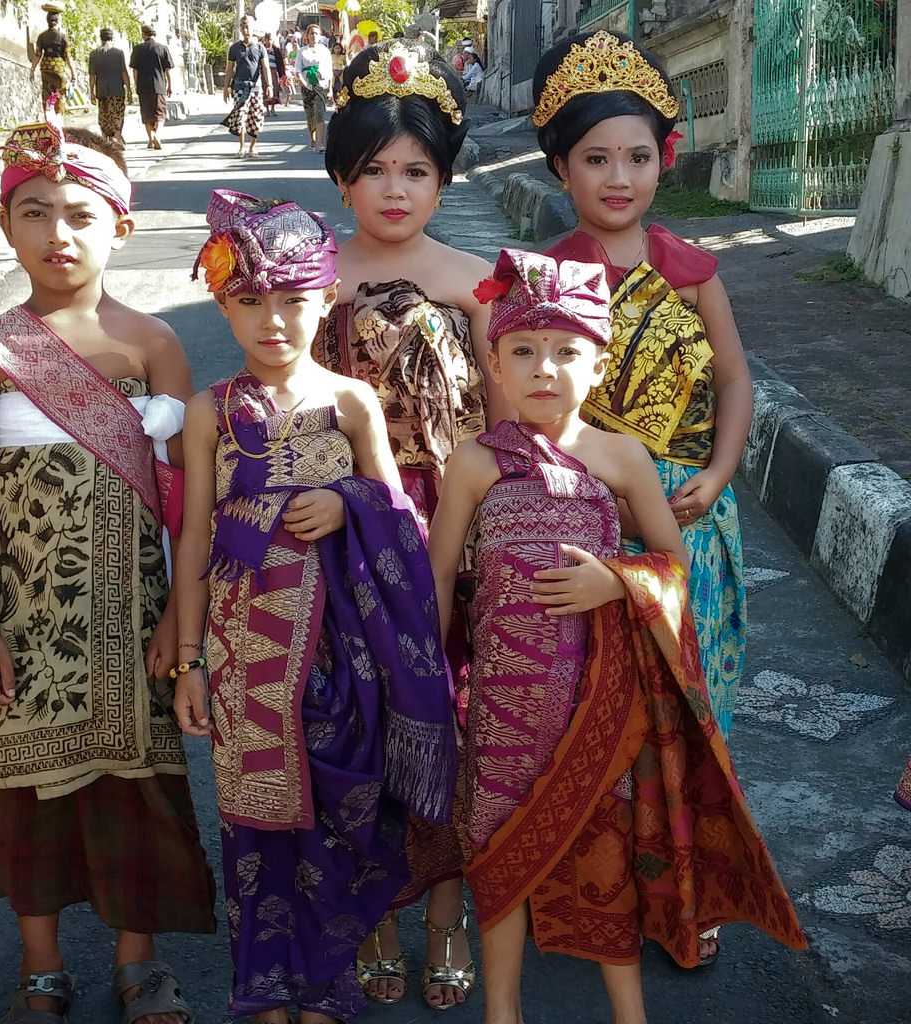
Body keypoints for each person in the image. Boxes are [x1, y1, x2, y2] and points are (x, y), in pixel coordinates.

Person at [432, 247, 807, 1024]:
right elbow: (439, 579)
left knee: (602, 857)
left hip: (598, 707)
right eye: (524, 351)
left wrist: (616, 579)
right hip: (500, 706)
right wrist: (435, 679)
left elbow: (673, 567)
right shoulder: (474, 463)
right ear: (494, 365)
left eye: (568, 351)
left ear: (598, 366)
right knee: (501, 857)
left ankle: (627, 1013)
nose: (546, 369)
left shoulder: (623, 458)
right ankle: (502, 1012)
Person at [0, 116, 215, 1024]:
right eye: (34, 212)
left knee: (138, 784)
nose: (58, 233)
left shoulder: (152, 348)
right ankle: (41, 963)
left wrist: (184, 625)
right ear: (5, 227)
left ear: (120, 227)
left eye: (79, 214)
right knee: (28, 789)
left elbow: (189, 505)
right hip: (27, 619)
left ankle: (138, 962)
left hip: (134, 622)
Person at [176, 190, 458, 1024]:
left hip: (347, 653)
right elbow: (194, 538)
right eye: (249, 301)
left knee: (343, 811)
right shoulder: (208, 411)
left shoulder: (349, 402)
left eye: (293, 299)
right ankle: (265, 987)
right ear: (223, 303)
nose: (273, 321)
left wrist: (349, 503)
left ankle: (330, 979)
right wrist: (192, 661)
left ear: (325, 295)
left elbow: (402, 521)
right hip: (240, 657)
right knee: (256, 827)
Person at [533, 30, 754, 964]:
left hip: (690, 523)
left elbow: (738, 383)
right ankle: (607, 876)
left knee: (693, 704)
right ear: (561, 168)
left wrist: (720, 471)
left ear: (663, 158)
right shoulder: (544, 277)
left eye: (634, 156)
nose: (617, 177)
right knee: (598, 705)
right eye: (594, 159)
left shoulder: (694, 270)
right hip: (586, 519)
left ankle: (690, 888)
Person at [320, 41, 512, 1011]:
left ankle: (444, 916)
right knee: (355, 731)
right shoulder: (308, 274)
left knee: (448, 729)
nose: (394, 191)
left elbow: (514, 428)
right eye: (373, 171)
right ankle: (372, 917)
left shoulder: (477, 281)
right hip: (340, 539)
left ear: (443, 177)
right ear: (342, 176)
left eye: (417, 171)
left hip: (452, 542)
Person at [222, 16, 273, 158]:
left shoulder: (260, 47)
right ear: (240, 29)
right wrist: (226, 88)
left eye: (248, 26)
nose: (246, 30)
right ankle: (241, 147)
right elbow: (229, 69)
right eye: (243, 27)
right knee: (240, 117)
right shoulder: (234, 48)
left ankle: (252, 147)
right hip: (239, 87)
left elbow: (265, 67)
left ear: (253, 27)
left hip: (256, 88)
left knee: (255, 117)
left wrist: (269, 85)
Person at [130, 24, 174, 150]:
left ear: (143, 34)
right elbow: (167, 70)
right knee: (160, 114)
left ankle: (151, 138)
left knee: (147, 114)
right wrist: (170, 85)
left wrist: (136, 84)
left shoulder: (137, 49)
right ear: (153, 34)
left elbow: (135, 71)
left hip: (143, 86)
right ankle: (157, 136)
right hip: (159, 86)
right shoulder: (162, 48)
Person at [89, 27, 132, 148]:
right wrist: (128, 89)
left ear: (101, 38)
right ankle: (117, 137)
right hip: (117, 90)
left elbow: (92, 75)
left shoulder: (94, 54)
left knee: (104, 114)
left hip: (102, 90)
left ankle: (105, 138)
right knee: (117, 114)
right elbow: (124, 72)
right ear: (112, 38)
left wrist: (91, 92)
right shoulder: (118, 53)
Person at [30, 9, 74, 115]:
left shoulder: (42, 36)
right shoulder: (63, 37)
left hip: (45, 69)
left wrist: (32, 69)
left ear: (47, 21)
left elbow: (38, 55)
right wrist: (73, 73)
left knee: (47, 94)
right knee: (60, 95)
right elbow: (67, 56)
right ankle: (58, 118)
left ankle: (48, 118)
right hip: (59, 70)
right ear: (57, 21)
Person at [296, 24, 332, 151]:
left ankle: (320, 143)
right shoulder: (302, 51)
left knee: (320, 114)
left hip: (320, 85)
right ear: (307, 35)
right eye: (311, 33)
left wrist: (331, 90)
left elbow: (329, 71)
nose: (314, 36)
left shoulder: (325, 51)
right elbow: (298, 70)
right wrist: (303, 82)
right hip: (307, 86)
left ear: (320, 35)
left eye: (316, 33)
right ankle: (312, 138)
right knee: (310, 115)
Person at [262, 32, 287, 115]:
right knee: (265, 89)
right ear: (264, 40)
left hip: (274, 72)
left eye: (270, 39)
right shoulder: (262, 49)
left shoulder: (276, 50)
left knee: (274, 89)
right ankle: (267, 110)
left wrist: (282, 74)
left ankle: (273, 109)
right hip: (264, 73)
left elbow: (280, 63)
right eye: (267, 39)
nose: (269, 41)